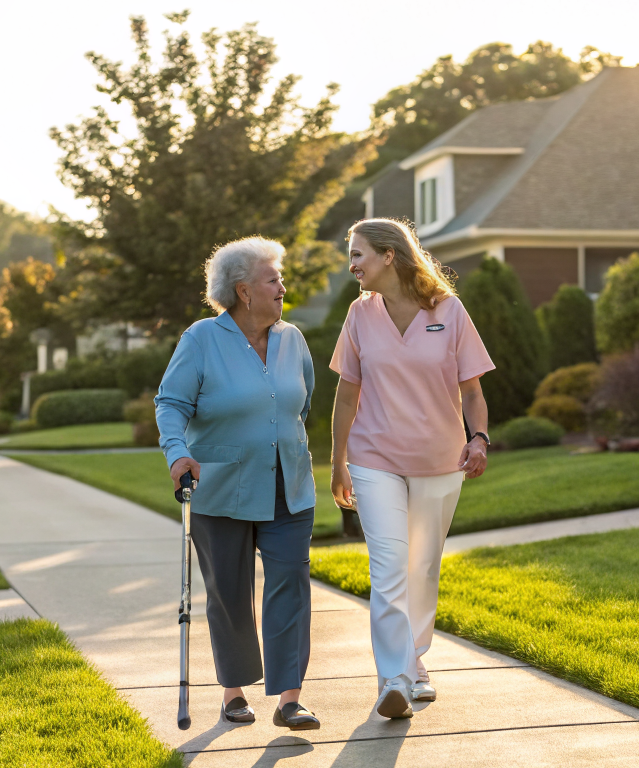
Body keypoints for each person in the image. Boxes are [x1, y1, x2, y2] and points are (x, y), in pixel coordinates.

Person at [329, 218, 494, 719]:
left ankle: (416, 663)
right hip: (374, 458)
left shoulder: (449, 311)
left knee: (422, 565)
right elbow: (347, 392)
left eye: (358, 254)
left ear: (389, 255)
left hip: (439, 460)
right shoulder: (359, 315)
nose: (352, 264)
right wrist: (338, 460)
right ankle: (394, 678)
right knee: (388, 566)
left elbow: (472, 390)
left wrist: (480, 437)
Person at [156, 236, 321, 731]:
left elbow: (301, 403)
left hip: (288, 483)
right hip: (221, 485)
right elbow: (171, 403)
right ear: (244, 291)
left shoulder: (293, 339)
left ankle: (290, 698)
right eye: (274, 279)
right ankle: (234, 690)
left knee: (290, 584)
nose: (283, 287)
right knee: (229, 591)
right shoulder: (201, 339)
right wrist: (177, 451)